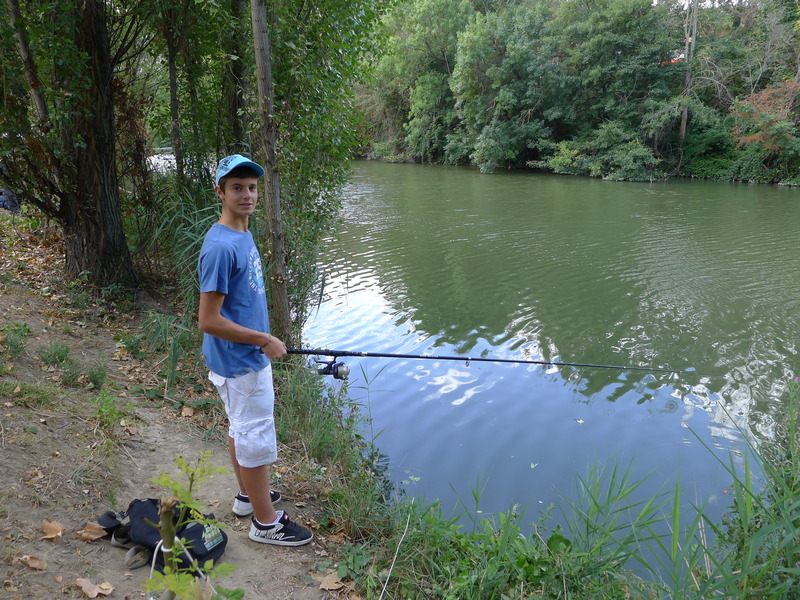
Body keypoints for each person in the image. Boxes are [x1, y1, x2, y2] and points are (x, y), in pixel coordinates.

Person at [197, 154, 313, 547]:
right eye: (236, 188)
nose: (246, 195)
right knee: (255, 436)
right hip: (241, 362)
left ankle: (248, 496)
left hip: (242, 357)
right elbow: (208, 320)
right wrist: (263, 340)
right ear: (220, 192)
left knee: (240, 428)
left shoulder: (240, 234)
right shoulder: (220, 247)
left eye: (251, 187)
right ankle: (266, 523)